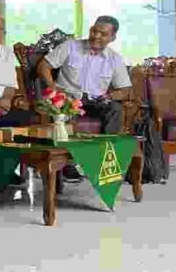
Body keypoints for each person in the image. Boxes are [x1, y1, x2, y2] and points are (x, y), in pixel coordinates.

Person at [37, 15, 133, 179]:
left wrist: (110, 95)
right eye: (94, 31)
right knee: (63, 109)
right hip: (68, 98)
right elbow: (44, 66)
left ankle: (104, 160)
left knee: (115, 109)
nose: (96, 36)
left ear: (112, 37)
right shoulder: (70, 46)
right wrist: (54, 88)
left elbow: (125, 89)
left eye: (103, 34)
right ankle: (67, 165)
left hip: (96, 101)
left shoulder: (114, 59)